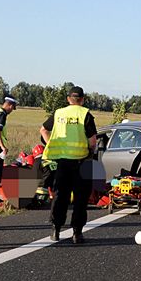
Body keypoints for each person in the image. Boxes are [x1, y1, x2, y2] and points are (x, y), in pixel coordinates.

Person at [40, 85, 97, 244]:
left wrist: (50, 144)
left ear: (68, 99)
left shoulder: (59, 113)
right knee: (80, 199)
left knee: (60, 196)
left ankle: (55, 230)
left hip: (62, 163)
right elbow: (92, 141)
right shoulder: (85, 114)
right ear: (83, 99)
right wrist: (90, 151)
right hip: (81, 163)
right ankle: (77, 234)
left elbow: (43, 129)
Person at [0, 96, 18, 201]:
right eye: (12, 108)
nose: (12, 111)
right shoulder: (1, 114)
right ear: (9, 105)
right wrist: (2, 146)